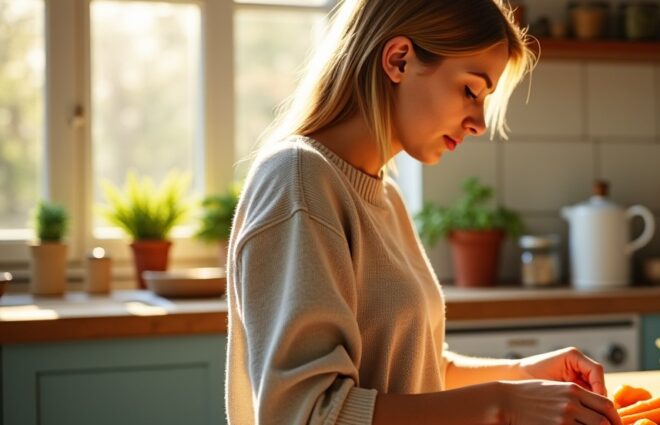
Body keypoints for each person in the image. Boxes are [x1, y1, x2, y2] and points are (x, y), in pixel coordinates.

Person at [225, 0, 624, 424]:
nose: (479, 123)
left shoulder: (386, 199)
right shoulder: (299, 179)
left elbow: (415, 377)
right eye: (471, 90)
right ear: (398, 60)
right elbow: (306, 413)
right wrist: (502, 405)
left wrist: (521, 373)